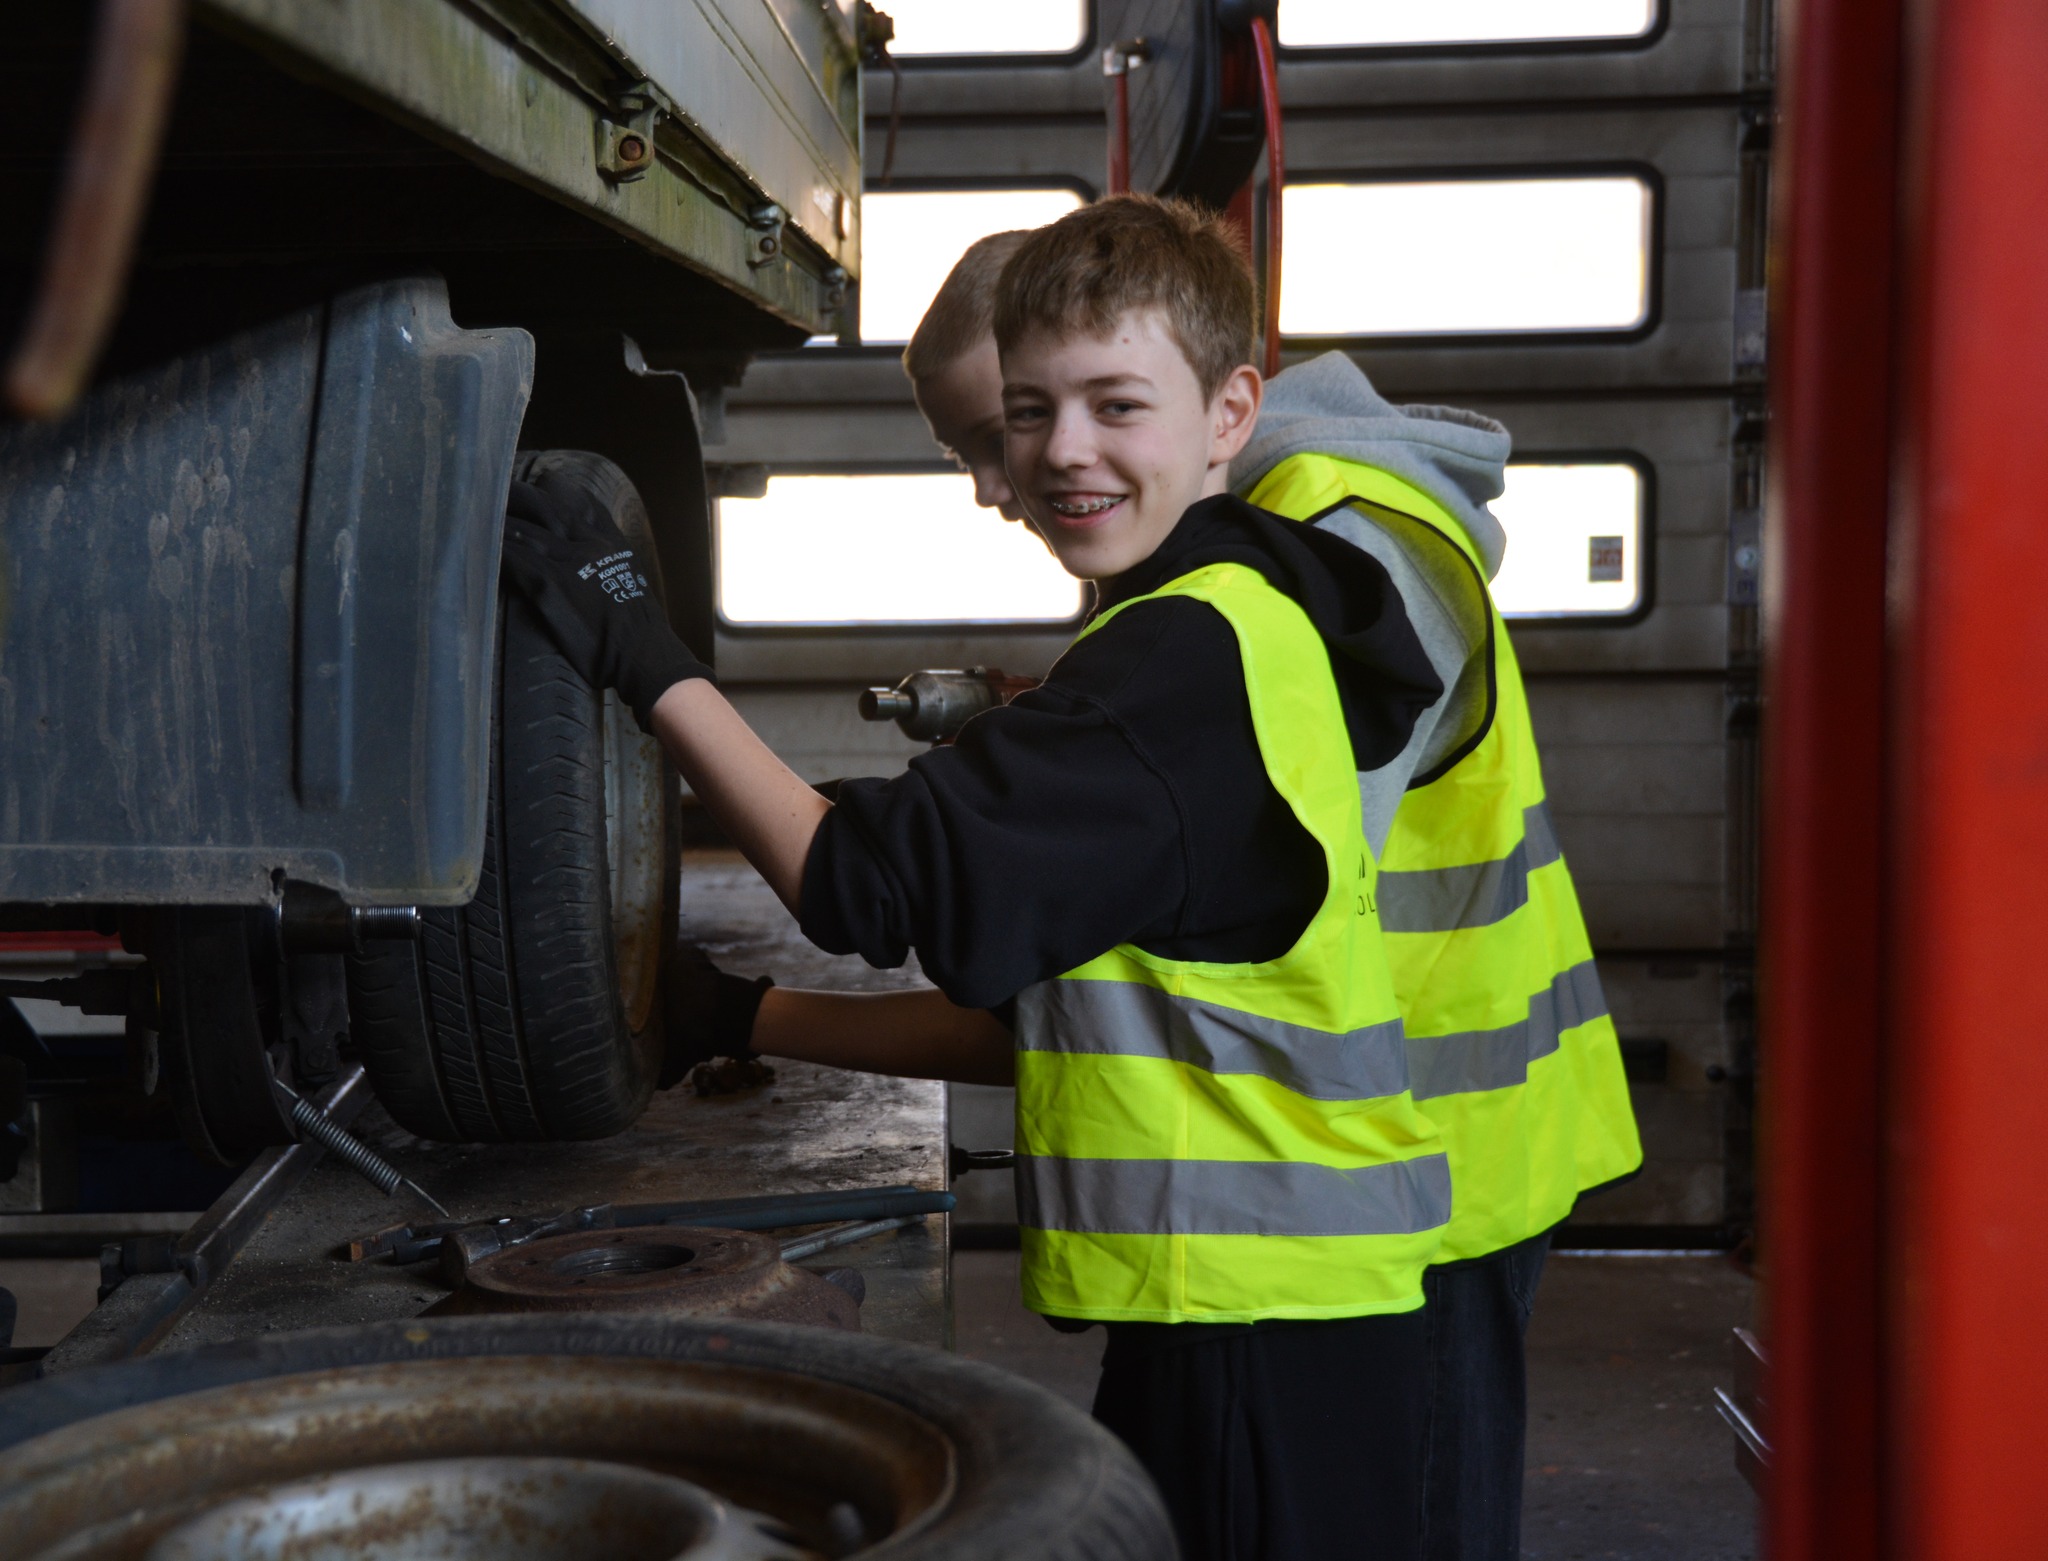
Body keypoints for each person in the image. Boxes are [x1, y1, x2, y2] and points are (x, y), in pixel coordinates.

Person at [504, 194, 1458, 1561]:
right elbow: (1045, 1030)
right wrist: (746, 1016)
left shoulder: (1177, 669)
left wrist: (643, 656)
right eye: (1026, 412)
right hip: (1284, 1304)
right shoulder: (1249, 615)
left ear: (1231, 413)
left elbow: (860, 885)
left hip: (1261, 1330)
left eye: (1116, 406)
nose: (1059, 452)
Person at [893, 214, 1644, 1561]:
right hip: (1327, 1163)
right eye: (987, 443)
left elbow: (1258, 800)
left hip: (1429, 1160)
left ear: (1196, 395)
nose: (1006, 483)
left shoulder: (1352, 536)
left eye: (998, 433)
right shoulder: (1218, 538)